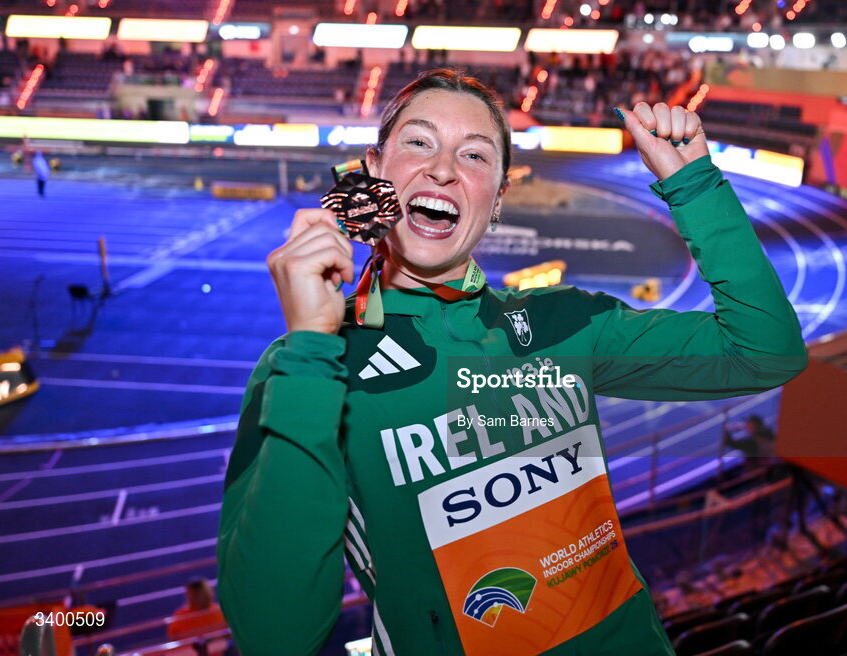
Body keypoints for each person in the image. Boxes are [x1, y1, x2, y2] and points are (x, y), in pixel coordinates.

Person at [217, 68, 807, 655]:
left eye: (474, 155)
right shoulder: (311, 365)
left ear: (497, 199)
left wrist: (693, 184)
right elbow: (276, 639)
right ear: (373, 171)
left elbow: (765, 351)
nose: (442, 169)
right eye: (419, 142)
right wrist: (312, 348)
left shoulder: (567, 322)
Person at [166, 578, 228, 649]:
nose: (197, 596)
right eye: (194, 593)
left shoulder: (218, 611)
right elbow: (174, 639)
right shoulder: (181, 616)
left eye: (199, 592)